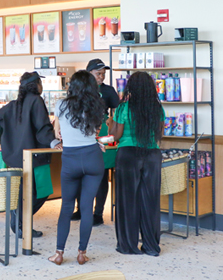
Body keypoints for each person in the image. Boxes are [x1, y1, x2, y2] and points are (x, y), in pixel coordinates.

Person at [49, 71, 106, 266]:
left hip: (70, 159)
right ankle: (82, 253)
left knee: (66, 207)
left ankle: (58, 253)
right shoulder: (97, 106)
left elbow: (58, 132)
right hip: (93, 157)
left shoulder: (61, 105)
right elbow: (94, 132)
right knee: (87, 208)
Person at [0, 72, 60, 239]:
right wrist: (53, 142)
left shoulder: (15, 104)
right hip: (34, 156)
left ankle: (20, 220)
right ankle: (20, 220)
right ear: (36, 84)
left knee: (23, 192)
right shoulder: (36, 100)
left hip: (16, 157)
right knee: (42, 192)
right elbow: (42, 127)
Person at [110, 72, 165, 256]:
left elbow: (115, 136)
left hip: (128, 155)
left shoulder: (123, 108)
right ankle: (151, 246)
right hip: (152, 155)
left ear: (130, 87)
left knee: (127, 201)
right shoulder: (157, 108)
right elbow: (159, 134)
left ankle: (128, 245)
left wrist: (110, 122)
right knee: (150, 201)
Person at [71, 59, 121, 226]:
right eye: (98, 74)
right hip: (82, 132)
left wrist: (112, 124)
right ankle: (80, 209)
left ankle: (98, 213)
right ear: (89, 73)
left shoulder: (108, 90)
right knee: (80, 173)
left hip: (103, 133)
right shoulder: (81, 89)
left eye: (103, 74)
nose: (101, 77)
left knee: (102, 173)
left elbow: (117, 110)